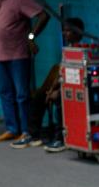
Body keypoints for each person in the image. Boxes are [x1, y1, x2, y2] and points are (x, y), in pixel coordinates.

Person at [0, 0, 50, 144]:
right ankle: (12, 129)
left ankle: (27, 131)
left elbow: (43, 16)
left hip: (18, 54)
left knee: (22, 94)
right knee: (5, 92)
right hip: (0, 54)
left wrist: (31, 37)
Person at [17, 17, 84, 152]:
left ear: (78, 33)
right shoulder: (66, 50)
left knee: (61, 98)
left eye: (68, 31)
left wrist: (59, 92)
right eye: (63, 31)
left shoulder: (82, 52)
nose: (65, 34)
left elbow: (76, 79)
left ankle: (61, 138)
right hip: (62, 85)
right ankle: (33, 134)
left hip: (75, 90)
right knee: (40, 95)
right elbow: (61, 73)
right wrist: (51, 89)